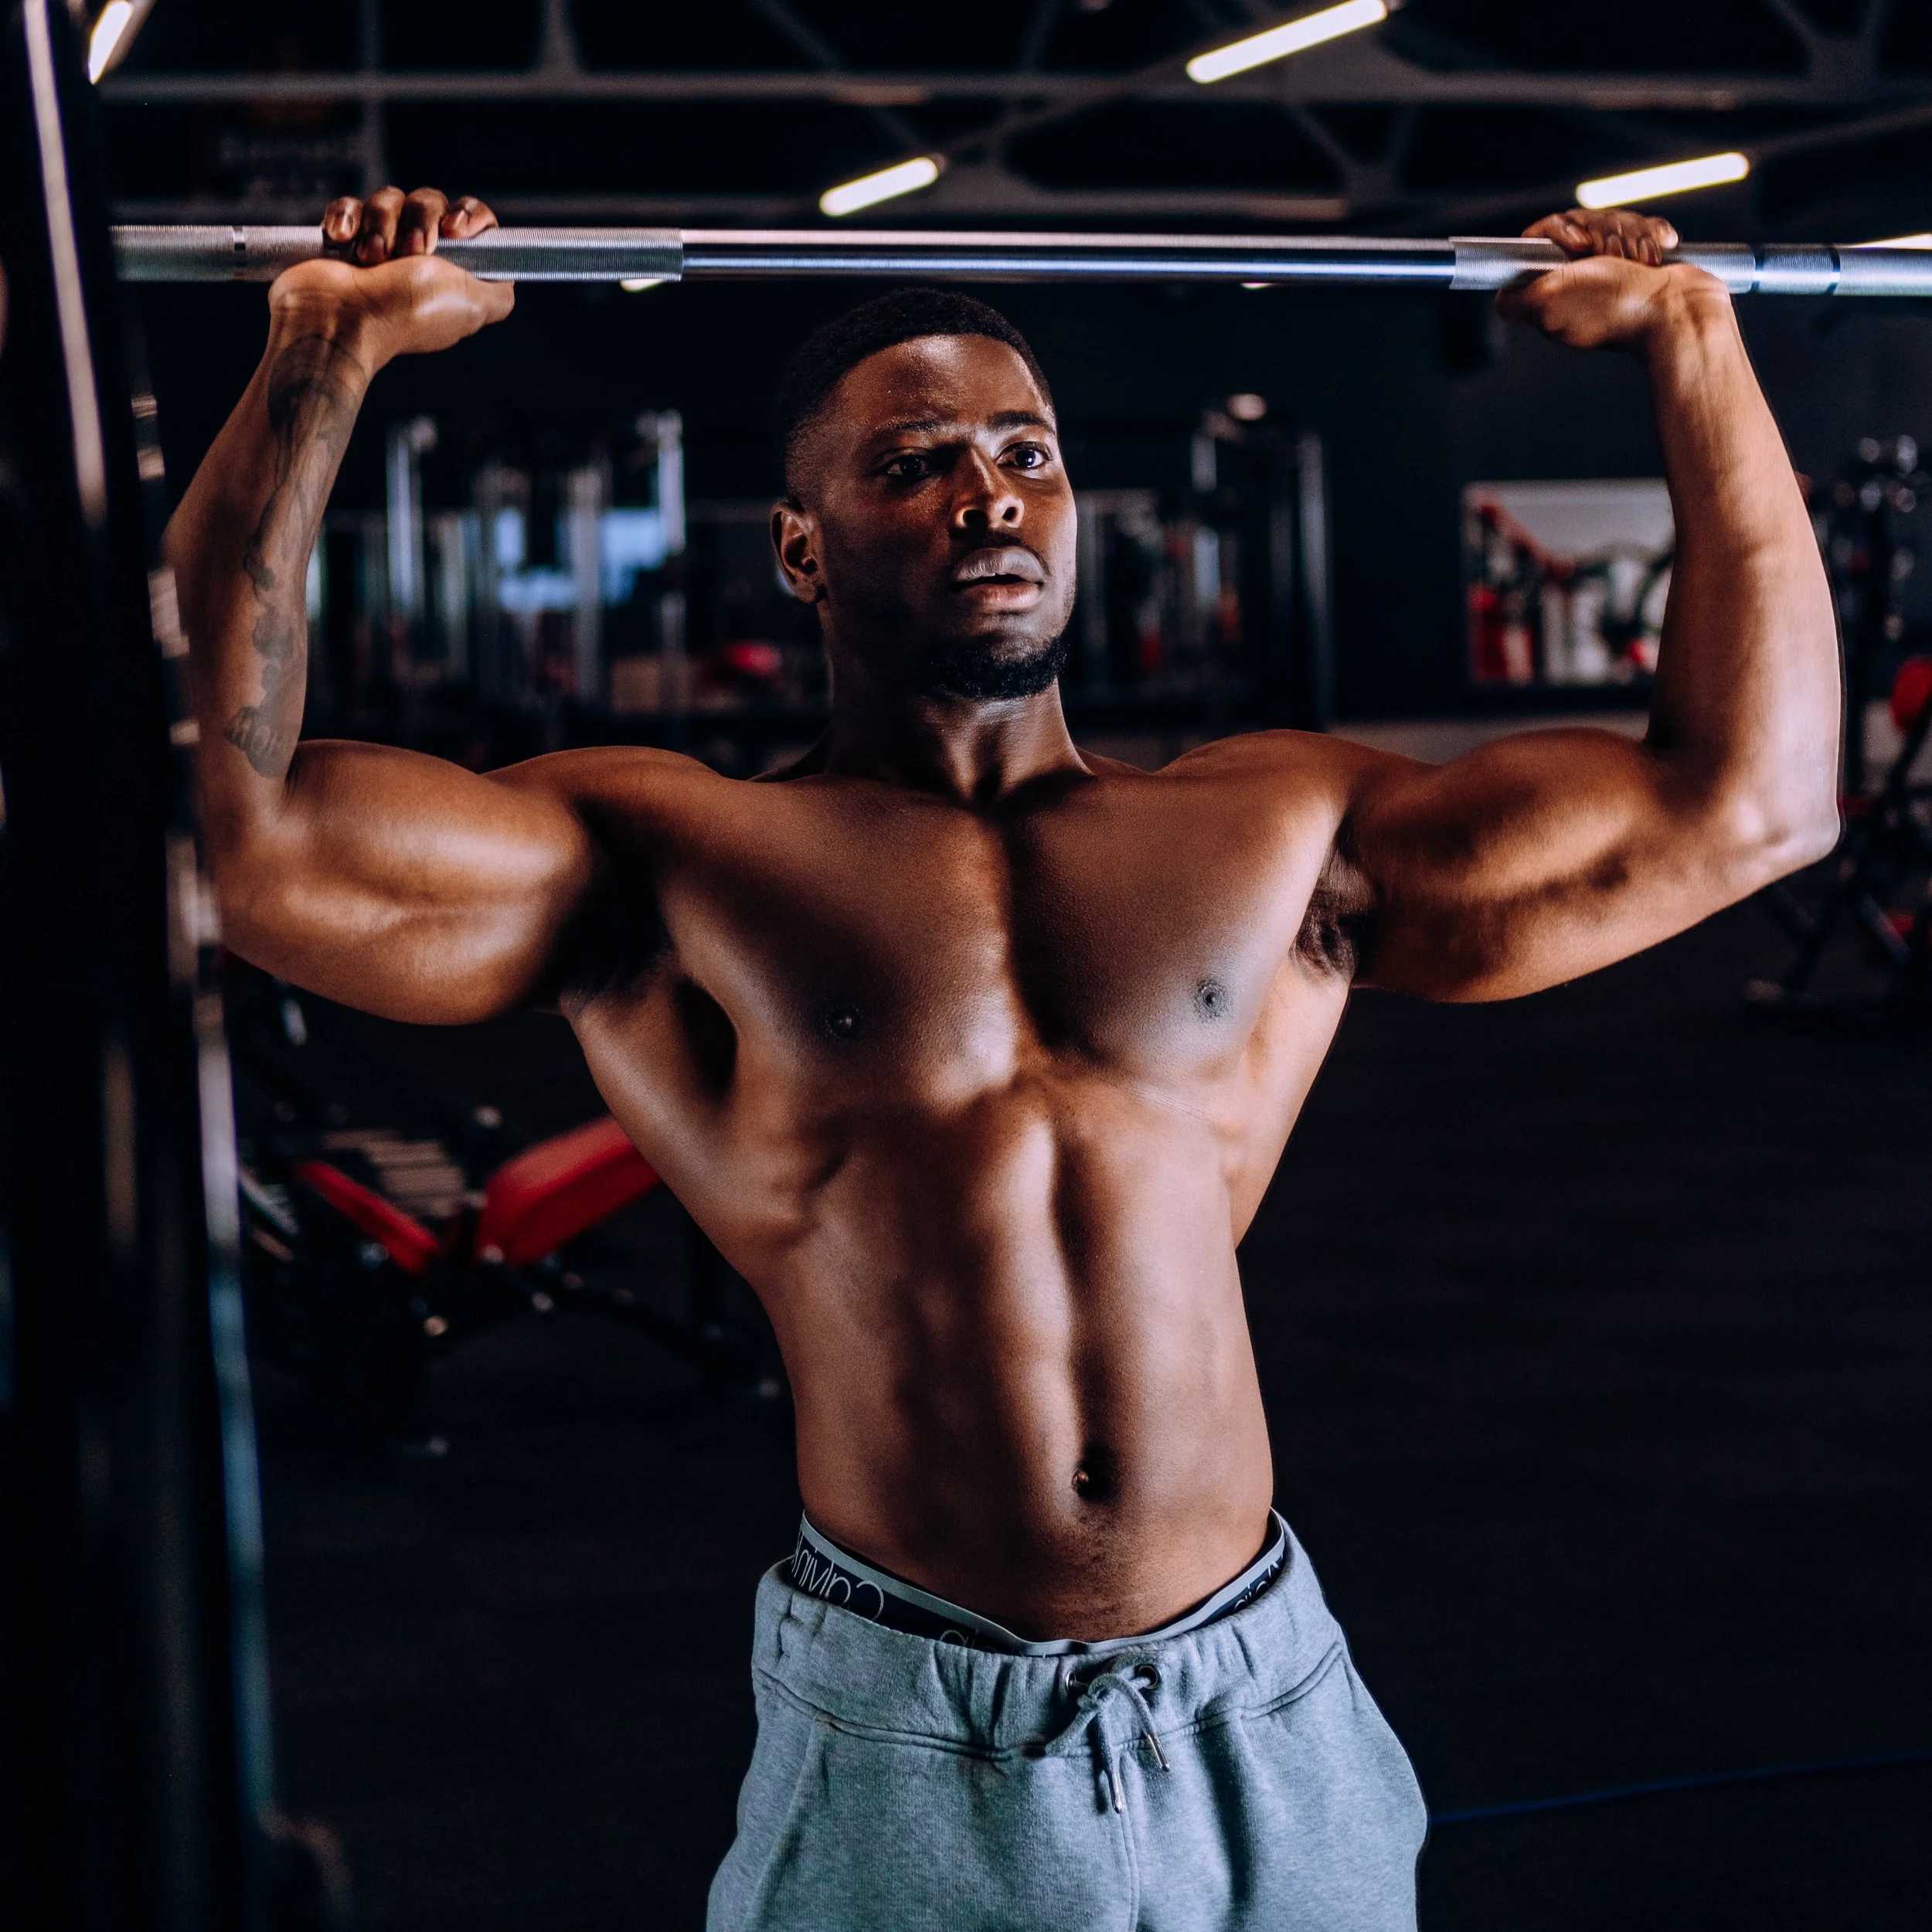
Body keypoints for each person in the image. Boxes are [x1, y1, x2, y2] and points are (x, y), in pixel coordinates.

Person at [165, 186, 1840, 1931]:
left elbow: (1754, 801)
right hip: (913, 1733)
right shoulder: (670, 856)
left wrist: (1694, 343)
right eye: (909, 464)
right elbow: (226, 835)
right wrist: (322, 353)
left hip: (1260, 1699)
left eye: (1022, 450)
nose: (985, 493)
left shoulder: (1277, 829)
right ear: (799, 545)